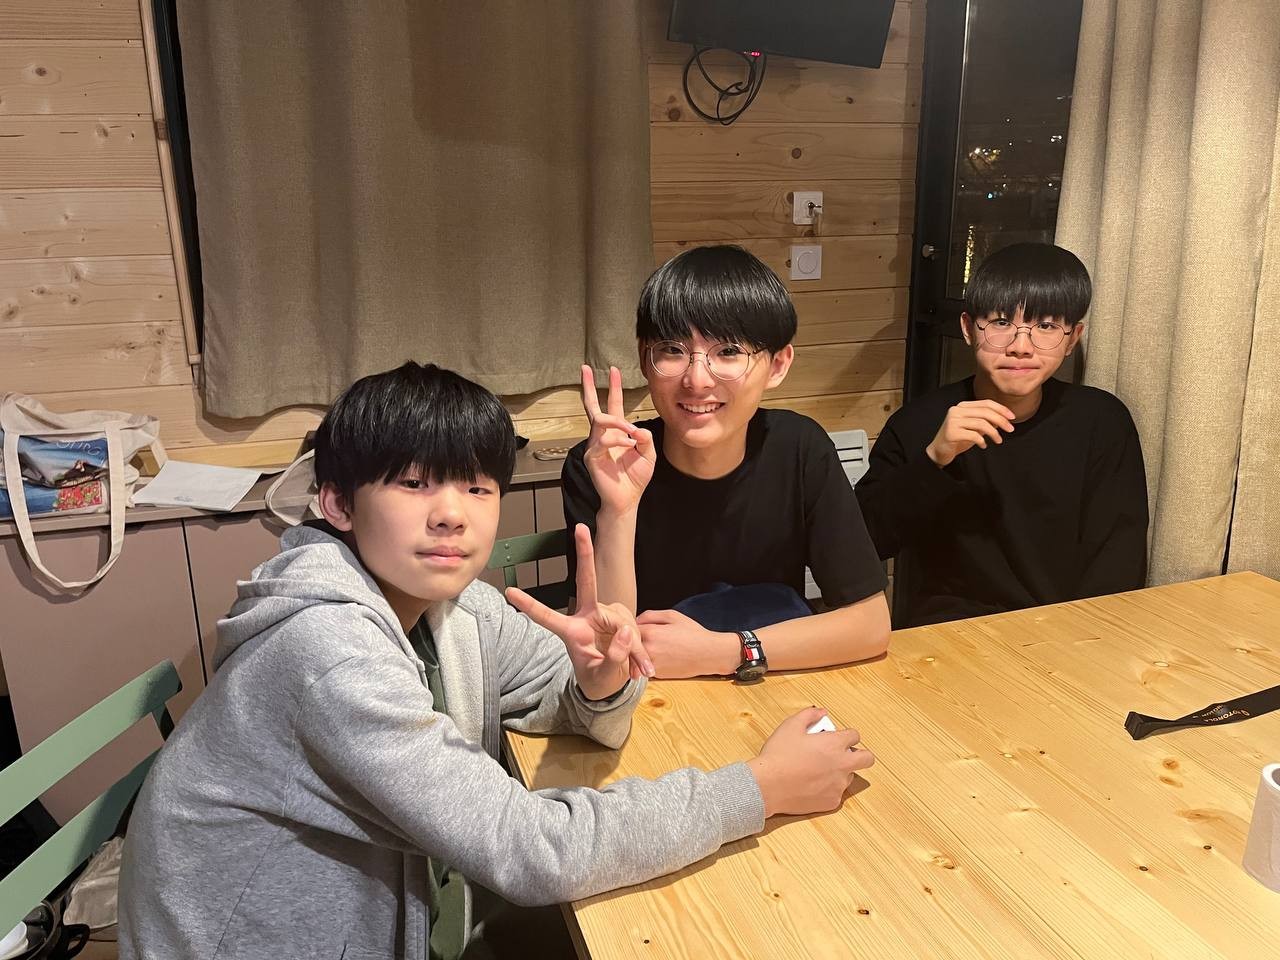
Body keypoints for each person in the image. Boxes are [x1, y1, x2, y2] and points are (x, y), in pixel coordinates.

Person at [117, 361, 875, 959]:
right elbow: (533, 851)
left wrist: (598, 682)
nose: (451, 513)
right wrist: (762, 787)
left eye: (478, 487)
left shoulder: (456, 607)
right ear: (338, 503)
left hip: (401, 916)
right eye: (413, 484)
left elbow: (574, 705)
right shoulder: (328, 654)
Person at [561, 244, 891, 680]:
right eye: (672, 350)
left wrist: (725, 651)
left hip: (767, 685)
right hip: (647, 697)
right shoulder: (602, 464)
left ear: (777, 365)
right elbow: (605, 652)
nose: (697, 380)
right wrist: (618, 512)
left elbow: (870, 625)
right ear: (645, 359)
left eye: (729, 351)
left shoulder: (799, 449)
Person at [855, 242, 1148, 627]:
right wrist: (934, 460)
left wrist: (1075, 638)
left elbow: (1119, 564)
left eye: (1046, 326)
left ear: (1072, 338)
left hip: (1068, 632)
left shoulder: (1101, 421)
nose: (1021, 347)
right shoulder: (919, 424)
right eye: (1000, 323)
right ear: (967, 329)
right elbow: (862, 543)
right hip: (951, 635)